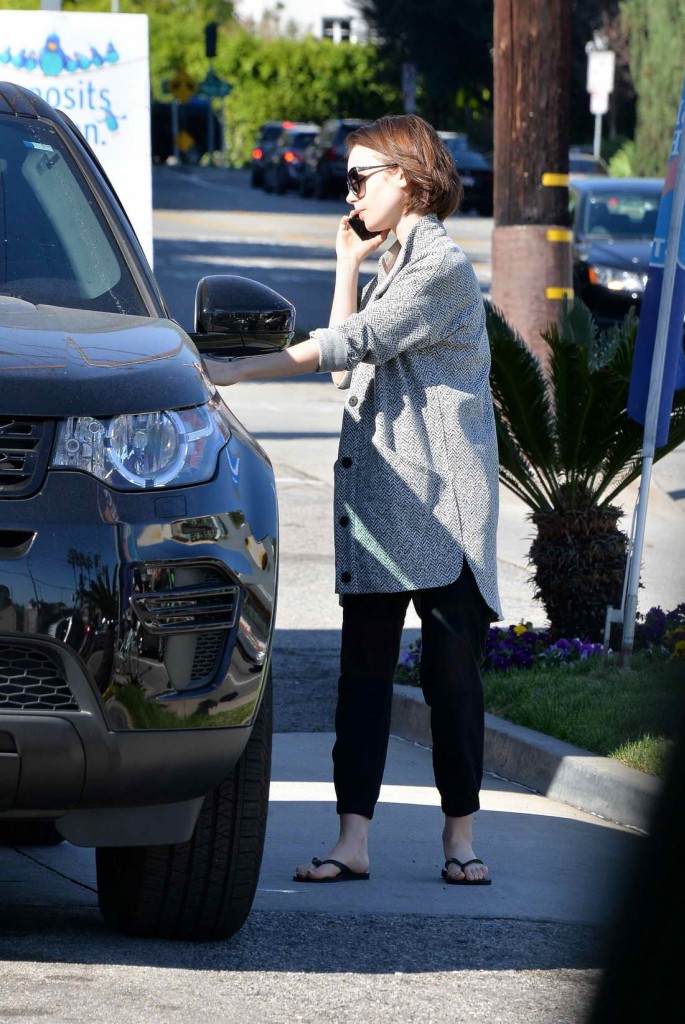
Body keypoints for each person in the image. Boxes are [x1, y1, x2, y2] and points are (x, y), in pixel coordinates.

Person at [205, 114, 501, 885]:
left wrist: (242, 371)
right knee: (362, 678)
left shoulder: (439, 267)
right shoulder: (390, 265)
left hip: (444, 511)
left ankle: (460, 839)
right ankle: (352, 842)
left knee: (452, 679)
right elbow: (351, 374)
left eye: (360, 177)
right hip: (380, 500)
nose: (350, 192)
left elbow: (350, 344)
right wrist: (345, 264)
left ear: (408, 176)